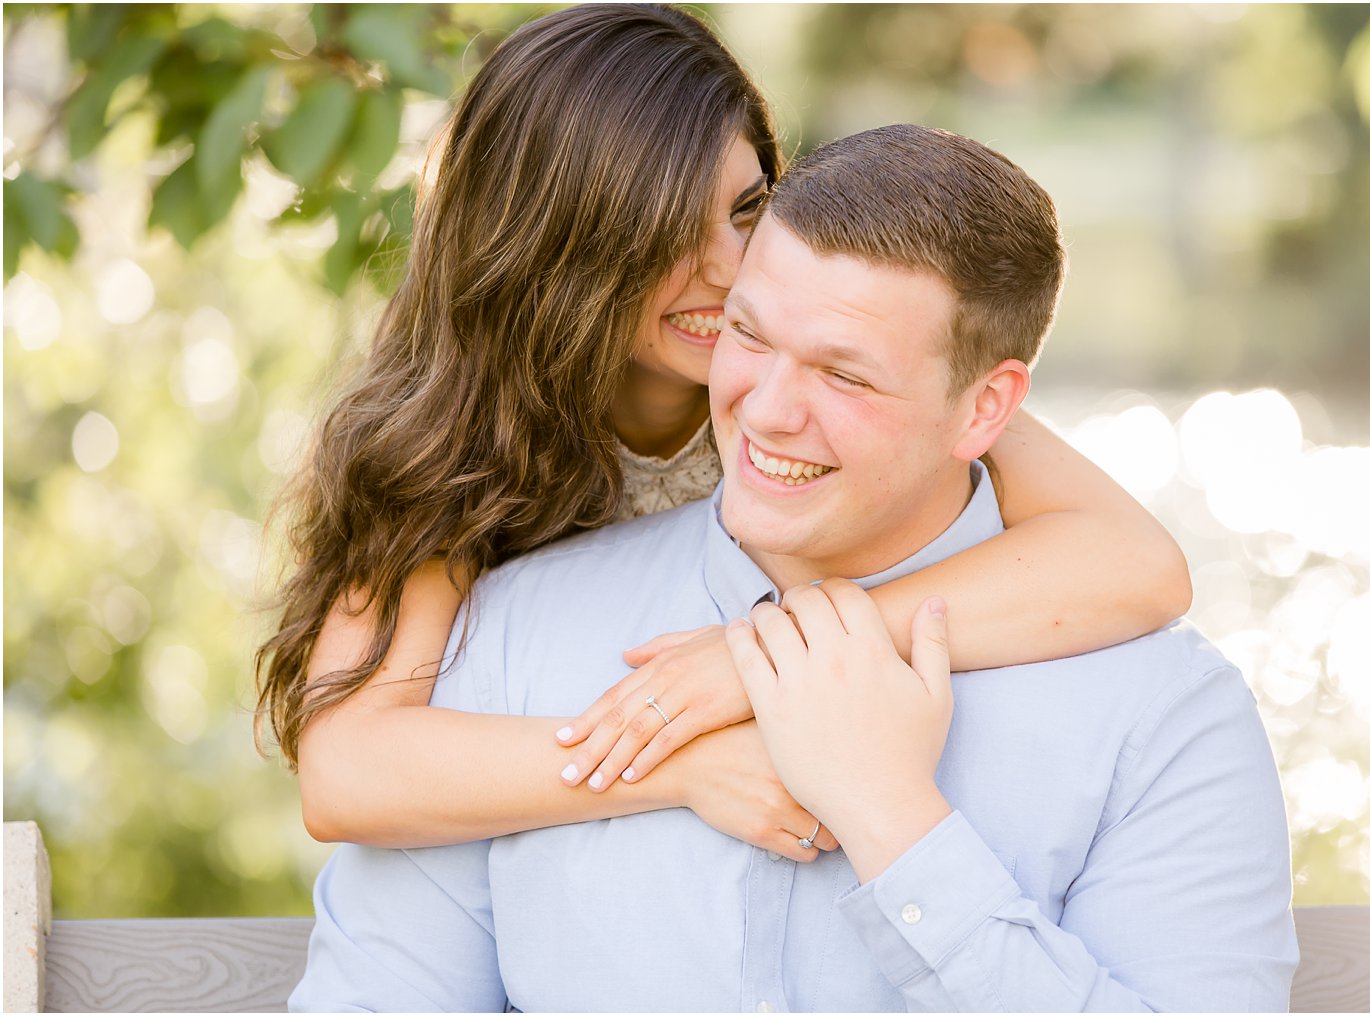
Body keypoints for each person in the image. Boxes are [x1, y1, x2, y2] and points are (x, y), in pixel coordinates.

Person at [290, 124, 1297, 1012]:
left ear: (984, 410)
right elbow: (355, 850)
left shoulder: (1162, 719)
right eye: (747, 332)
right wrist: (671, 764)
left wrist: (889, 814)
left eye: (842, 373)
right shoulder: (504, 626)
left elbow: (1140, 565)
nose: (767, 409)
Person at [256, 3, 1192, 857]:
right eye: (665, 232)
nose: (736, 268)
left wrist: (770, 656)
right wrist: (676, 765)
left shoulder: (846, 389)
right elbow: (348, 773)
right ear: (557, 253)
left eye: (748, 208)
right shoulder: (463, 433)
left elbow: (1137, 565)